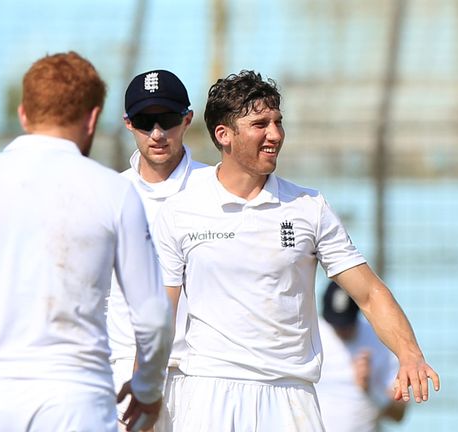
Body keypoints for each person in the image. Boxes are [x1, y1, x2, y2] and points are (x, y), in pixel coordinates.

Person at [153, 70, 440, 431]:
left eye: (277, 122)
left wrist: (409, 354)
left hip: (290, 397)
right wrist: (145, 391)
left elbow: (368, 293)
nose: (275, 134)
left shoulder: (309, 206)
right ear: (223, 135)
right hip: (208, 393)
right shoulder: (181, 209)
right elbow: (160, 313)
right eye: (260, 124)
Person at [0, 51, 172, 432]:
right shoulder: (114, 191)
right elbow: (152, 314)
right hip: (77, 399)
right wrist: (147, 389)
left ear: (23, 114)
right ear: (93, 117)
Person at [106, 69, 207, 431]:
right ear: (128, 123)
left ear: (187, 119)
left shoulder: (214, 188)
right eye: (146, 122)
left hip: (202, 376)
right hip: (123, 375)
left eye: (167, 120)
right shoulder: (109, 195)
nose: (158, 134)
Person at [316, 281, 407, 432]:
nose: (342, 330)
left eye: (346, 324)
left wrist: (370, 387)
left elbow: (399, 414)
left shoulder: (379, 340)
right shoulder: (308, 335)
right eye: (336, 324)